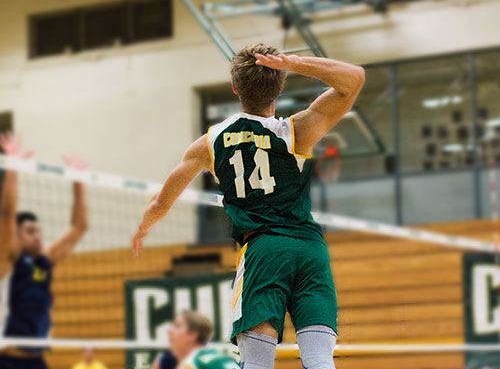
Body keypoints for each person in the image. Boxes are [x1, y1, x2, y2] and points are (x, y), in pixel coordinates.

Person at [132, 44, 365, 369]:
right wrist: (294, 63)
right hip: (310, 250)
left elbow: (161, 202)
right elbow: (354, 78)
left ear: (235, 88)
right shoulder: (296, 132)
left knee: (256, 363)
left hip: (263, 251)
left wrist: (143, 227)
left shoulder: (210, 143)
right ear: (280, 87)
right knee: (320, 360)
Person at [0, 133, 89, 369]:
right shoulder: (7, 261)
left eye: (38, 231)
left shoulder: (44, 261)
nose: (37, 236)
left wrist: (78, 183)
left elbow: (79, 227)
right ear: (15, 236)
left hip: (37, 361)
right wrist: (13, 167)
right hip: (6, 360)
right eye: (30, 231)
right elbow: (7, 214)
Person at [152, 310, 238, 369]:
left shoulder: (192, 363)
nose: (169, 331)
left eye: (177, 326)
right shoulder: (223, 358)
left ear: (193, 334)